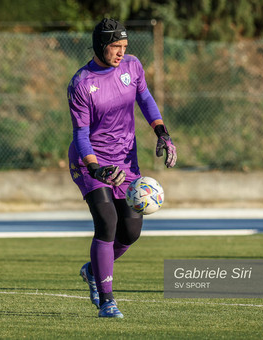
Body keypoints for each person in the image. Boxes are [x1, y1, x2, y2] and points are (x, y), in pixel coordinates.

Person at [67, 18, 177, 318]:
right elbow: (80, 135)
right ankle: (106, 300)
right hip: (90, 162)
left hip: (126, 161)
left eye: (124, 47)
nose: (120, 53)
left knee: (130, 231)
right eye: (115, 46)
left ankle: (93, 270)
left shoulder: (132, 67)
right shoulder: (81, 84)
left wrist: (162, 132)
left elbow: (145, 99)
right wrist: (96, 169)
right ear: (101, 46)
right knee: (106, 221)